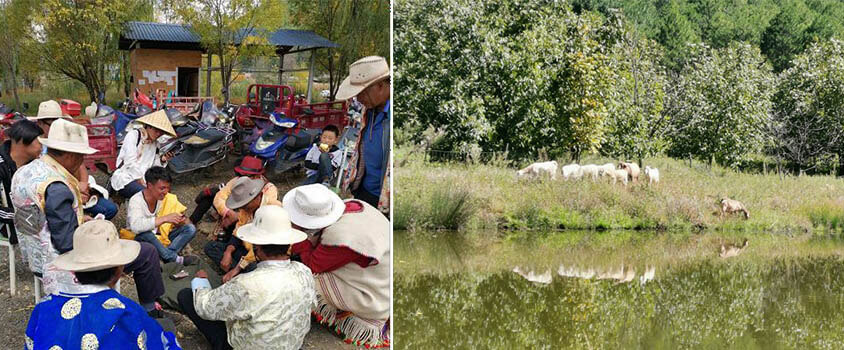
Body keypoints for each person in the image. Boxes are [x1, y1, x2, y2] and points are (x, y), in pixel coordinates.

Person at [11, 119, 166, 314]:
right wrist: (90, 230)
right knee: (147, 252)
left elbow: (42, 219)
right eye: (81, 156)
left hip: (35, 257)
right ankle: (151, 310)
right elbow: (66, 243)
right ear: (69, 155)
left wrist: (77, 219)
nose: (82, 161)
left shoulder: (25, 172)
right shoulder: (56, 187)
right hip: (63, 267)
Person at [25, 220, 182, 350]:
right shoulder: (126, 312)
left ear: (74, 270)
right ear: (120, 270)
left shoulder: (43, 307)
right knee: (165, 328)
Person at [177, 205, 315, 350]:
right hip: (291, 345)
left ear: (257, 248)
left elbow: (205, 308)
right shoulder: (304, 271)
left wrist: (201, 283)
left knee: (186, 296)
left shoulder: (246, 284)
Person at [285, 184, 391, 348]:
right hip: (382, 274)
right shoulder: (351, 205)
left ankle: (346, 315)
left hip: (373, 292)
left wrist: (299, 238)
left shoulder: (341, 238)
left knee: (303, 278)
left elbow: (313, 265)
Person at [29, 100, 117, 219]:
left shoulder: (67, 142)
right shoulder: (35, 149)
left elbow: (81, 167)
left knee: (110, 209)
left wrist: (83, 185)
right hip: (64, 195)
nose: (56, 126)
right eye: (52, 123)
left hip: (75, 190)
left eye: (58, 122)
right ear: (40, 123)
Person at [336, 56, 391, 214]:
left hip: (383, 200)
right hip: (363, 192)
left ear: (380, 85)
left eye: (362, 93)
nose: (358, 99)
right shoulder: (368, 112)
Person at [203, 177, 279, 283]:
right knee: (211, 247)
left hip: (263, 255)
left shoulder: (273, 210)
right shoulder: (246, 209)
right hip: (245, 250)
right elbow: (238, 230)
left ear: (257, 197)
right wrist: (228, 252)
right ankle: (241, 277)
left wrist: (236, 269)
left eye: (245, 204)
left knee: (253, 267)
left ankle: (238, 276)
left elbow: (263, 248)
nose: (242, 208)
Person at [127, 166, 198, 265]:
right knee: (146, 234)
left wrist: (180, 222)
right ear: (150, 186)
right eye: (162, 188)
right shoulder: (136, 201)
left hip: (160, 237)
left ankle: (166, 254)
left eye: (168, 188)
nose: (166, 192)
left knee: (190, 229)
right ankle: (173, 258)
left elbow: (179, 221)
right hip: (141, 239)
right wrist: (164, 219)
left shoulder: (165, 198)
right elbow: (135, 227)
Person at [188, 156, 269, 235]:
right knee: (209, 195)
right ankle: (190, 223)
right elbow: (219, 197)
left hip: (250, 219)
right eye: (241, 175)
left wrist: (238, 216)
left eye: (247, 175)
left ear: (257, 175)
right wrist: (228, 213)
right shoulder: (237, 181)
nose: (242, 177)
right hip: (233, 210)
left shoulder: (268, 188)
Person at [110, 109, 177, 199]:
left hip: (145, 179)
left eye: (161, 132)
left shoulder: (156, 144)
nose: (158, 134)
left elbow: (153, 167)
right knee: (148, 194)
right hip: (126, 177)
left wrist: (162, 160)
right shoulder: (133, 135)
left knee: (166, 193)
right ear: (149, 126)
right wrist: (141, 180)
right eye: (156, 130)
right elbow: (130, 162)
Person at [0, 120, 42, 245]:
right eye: (39, 141)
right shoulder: (1, 166)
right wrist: (19, 216)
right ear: (23, 141)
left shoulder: (37, 163)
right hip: (10, 224)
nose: (42, 146)